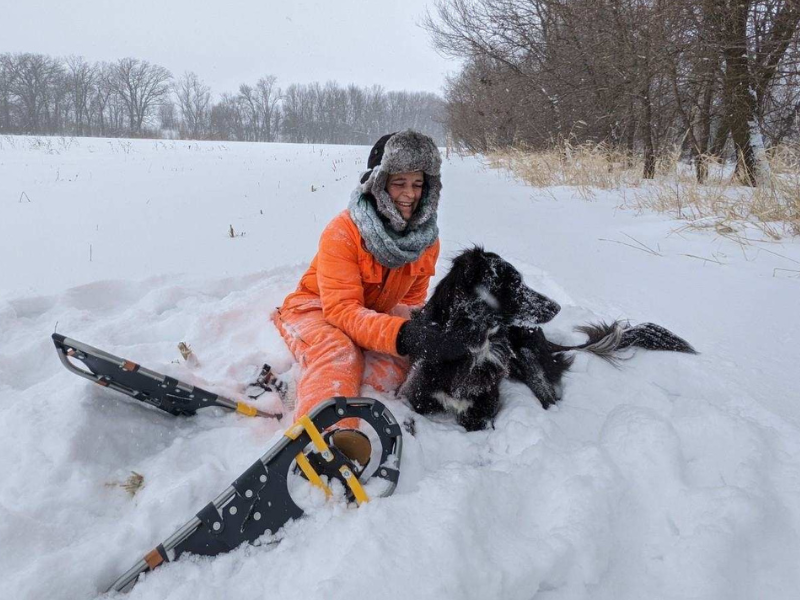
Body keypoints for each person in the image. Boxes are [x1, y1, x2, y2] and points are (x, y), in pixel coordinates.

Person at [272, 130, 469, 466]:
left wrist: (429, 332)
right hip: (315, 308)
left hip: (371, 314)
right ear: (378, 184)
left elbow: (411, 302)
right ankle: (321, 447)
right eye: (399, 182)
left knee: (396, 367)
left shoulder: (427, 243)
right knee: (339, 354)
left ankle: (332, 403)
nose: (410, 194)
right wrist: (402, 334)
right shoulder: (343, 231)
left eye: (418, 184)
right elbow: (340, 310)